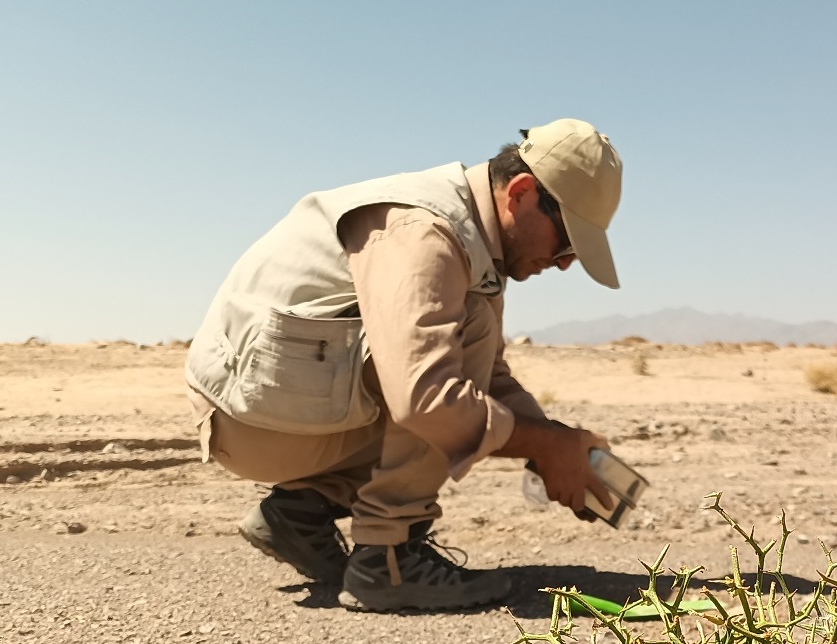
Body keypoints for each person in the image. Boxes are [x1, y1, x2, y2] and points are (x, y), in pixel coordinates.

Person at [185, 119, 623, 612]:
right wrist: (546, 443)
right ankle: (386, 560)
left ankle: (299, 511)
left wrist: (554, 445)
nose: (565, 262)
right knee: (449, 365)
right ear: (520, 193)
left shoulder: (472, 239)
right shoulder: (428, 232)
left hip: (270, 404)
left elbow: (490, 379)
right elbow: (425, 396)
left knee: (458, 361)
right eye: (566, 240)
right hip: (251, 416)